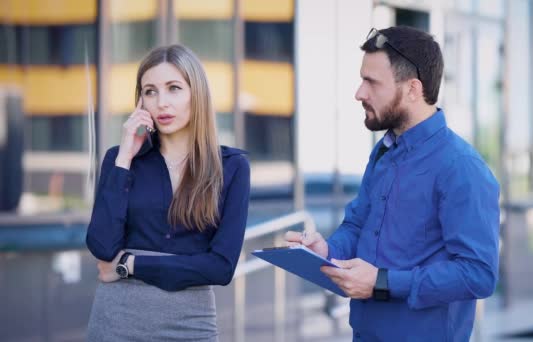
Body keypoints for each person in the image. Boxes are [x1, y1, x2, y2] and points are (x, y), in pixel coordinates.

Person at [286, 26, 500, 341]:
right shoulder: (383, 152)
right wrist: (326, 250)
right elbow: (358, 227)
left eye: (371, 82)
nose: (359, 93)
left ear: (413, 89)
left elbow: (478, 274)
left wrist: (382, 282)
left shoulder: (461, 168)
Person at [86, 44, 250, 341]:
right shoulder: (120, 159)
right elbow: (101, 246)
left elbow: (220, 267)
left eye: (174, 88)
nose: (161, 102)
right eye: (150, 91)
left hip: (191, 325)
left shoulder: (232, 167)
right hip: (116, 321)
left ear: (196, 94)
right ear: (140, 102)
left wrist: (129, 264)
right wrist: (125, 155)